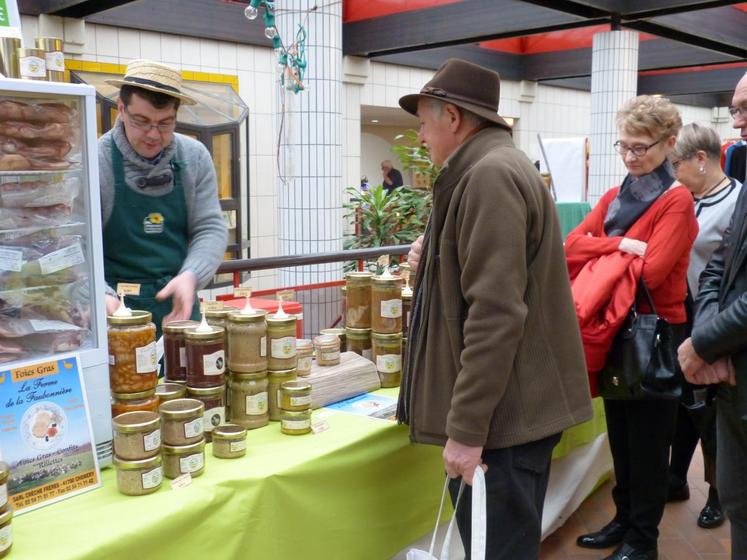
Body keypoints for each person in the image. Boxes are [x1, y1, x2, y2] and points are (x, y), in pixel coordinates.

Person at [397, 58, 593, 560]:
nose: (420, 136)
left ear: (454, 117)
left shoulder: (488, 176)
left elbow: (495, 313)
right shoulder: (489, 168)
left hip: (504, 421)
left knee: (499, 548)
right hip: (509, 413)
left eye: (423, 121)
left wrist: (465, 432)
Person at [568, 96, 697, 560]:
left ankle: (644, 539)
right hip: (613, 326)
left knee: (648, 441)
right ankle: (623, 521)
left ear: (668, 144)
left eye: (640, 147)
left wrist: (600, 250)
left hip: (657, 331)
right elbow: (570, 246)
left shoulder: (676, 200)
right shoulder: (615, 195)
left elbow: (652, 273)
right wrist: (622, 243)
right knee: (620, 435)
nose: (630, 156)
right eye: (623, 145)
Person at [99, 60, 227, 336]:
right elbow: (78, 246)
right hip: (116, 314)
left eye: (165, 123)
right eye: (141, 122)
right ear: (121, 109)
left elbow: (210, 227)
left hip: (180, 307)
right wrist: (99, 295)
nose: (153, 135)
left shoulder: (193, 156)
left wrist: (191, 276)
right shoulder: (97, 161)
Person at [678, 72, 747, 558]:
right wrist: (709, 337)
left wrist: (703, 343)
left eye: (745, 109)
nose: (738, 122)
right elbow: (718, 265)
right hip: (732, 370)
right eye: (735, 109)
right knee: (740, 501)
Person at [667, 123, 740, 530]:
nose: (672, 170)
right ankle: (676, 477)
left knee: (710, 411)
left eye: (676, 162)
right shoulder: (683, 198)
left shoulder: (736, 201)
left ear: (700, 159)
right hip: (679, 314)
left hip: (712, 320)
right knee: (683, 404)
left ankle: (717, 493)